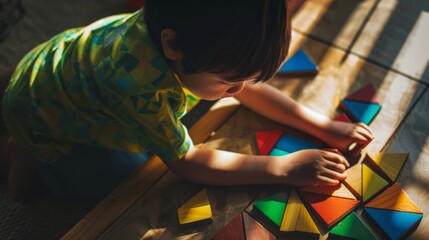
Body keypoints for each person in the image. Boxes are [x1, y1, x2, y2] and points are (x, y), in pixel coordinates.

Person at [0, 0, 373, 201]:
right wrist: (282, 169)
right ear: (172, 46)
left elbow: (247, 85)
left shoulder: (189, 31)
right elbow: (188, 162)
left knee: (151, 146)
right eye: (230, 83)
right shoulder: (139, 86)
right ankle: (25, 154)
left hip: (63, 65)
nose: (241, 91)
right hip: (43, 114)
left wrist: (323, 126)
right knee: (121, 177)